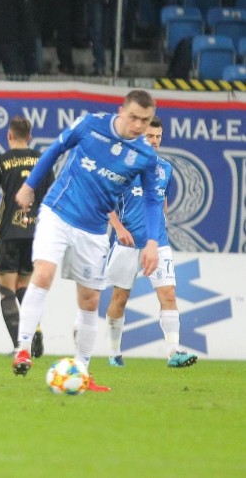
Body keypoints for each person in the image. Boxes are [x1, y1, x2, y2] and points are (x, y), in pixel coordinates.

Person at [12, 89, 165, 392]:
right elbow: (55, 150)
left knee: (90, 300)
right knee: (43, 273)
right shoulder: (90, 125)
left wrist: (151, 242)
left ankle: (82, 371)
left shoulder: (145, 156)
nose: (138, 125)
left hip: (94, 230)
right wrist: (30, 185)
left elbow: (151, 199)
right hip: (58, 212)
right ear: (122, 111)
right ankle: (23, 349)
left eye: (145, 121)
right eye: (134, 117)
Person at [104, 116, 198, 369]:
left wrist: (160, 227)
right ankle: (114, 352)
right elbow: (104, 200)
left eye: (158, 137)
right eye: (150, 136)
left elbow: (161, 200)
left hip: (157, 244)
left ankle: (174, 352)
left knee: (168, 294)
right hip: (127, 245)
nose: (154, 141)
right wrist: (119, 228)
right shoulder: (122, 166)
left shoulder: (165, 168)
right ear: (139, 135)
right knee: (119, 300)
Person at [0, 116, 52, 356]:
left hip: (9, 231)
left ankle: (21, 347)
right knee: (24, 287)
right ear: (29, 137)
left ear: (9, 135)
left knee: (7, 290)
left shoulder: (1, 162)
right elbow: (51, 198)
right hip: (35, 233)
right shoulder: (42, 162)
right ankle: (35, 329)